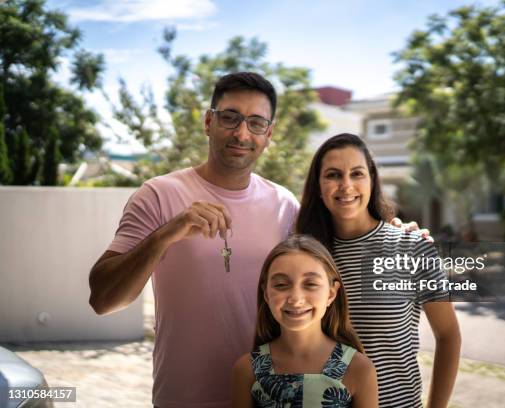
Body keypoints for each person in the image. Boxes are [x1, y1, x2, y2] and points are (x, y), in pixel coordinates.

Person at [89, 72, 426, 407]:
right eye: (230, 118)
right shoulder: (158, 196)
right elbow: (103, 300)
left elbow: (329, 259)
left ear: (269, 134)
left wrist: (393, 232)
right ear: (208, 121)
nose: (241, 133)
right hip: (184, 399)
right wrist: (166, 235)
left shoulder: (284, 206)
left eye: (255, 123)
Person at [295, 133, 461, 408]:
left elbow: (449, 335)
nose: (346, 185)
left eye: (356, 173)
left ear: (371, 179)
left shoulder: (411, 247)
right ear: (318, 185)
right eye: (333, 175)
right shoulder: (306, 255)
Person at [231, 235, 378, 407]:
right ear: (266, 294)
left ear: (331, 294)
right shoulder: (246, 370)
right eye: (280, 285)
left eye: (310, 284)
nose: (296, 299)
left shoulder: (359, 369)